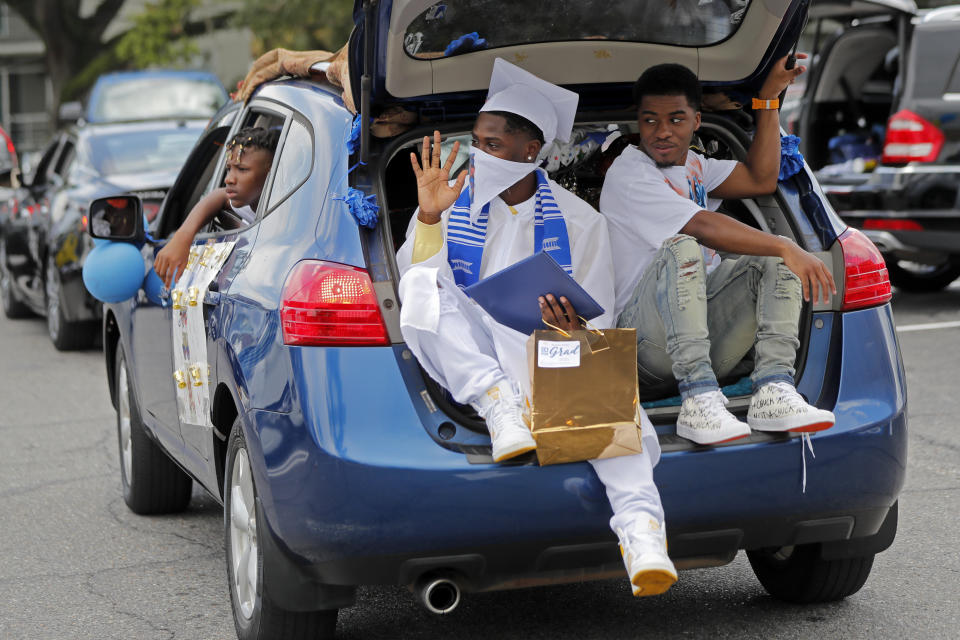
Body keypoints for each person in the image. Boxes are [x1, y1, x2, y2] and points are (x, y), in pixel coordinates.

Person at [398, 58, 676, 597]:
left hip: (547, 351)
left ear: (533, 152)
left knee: (608, 398)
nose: (481, 155)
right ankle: (497, 402)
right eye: (477, 141)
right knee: (420, 291)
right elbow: (419, 290)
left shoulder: (579, 220)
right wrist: (429, 217)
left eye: (495, 145)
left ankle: (643, 536)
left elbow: (600, 316)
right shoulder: (452, 203)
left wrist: (570, 326)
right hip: (471, 359)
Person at [600, 57, 838, 446]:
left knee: (776, 260)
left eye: (676, 119)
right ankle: (698, 399)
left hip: (705, 340)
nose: (662, 132)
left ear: (697, 121)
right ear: (637, 123)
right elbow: (703, 226)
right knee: (684, 247)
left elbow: (761, 178)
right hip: (643, 351)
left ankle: (774, 389)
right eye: (650, 120)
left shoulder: (695, 165)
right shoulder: (629, 173)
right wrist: (785, 244)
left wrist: (767, 100)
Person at [153, 126, 278, 287]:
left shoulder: (287, 214)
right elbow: (219, 195)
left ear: (271, 173)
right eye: (228, 169)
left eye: (242, 169)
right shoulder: (245, 202)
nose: (229, 179)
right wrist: (182, 237)